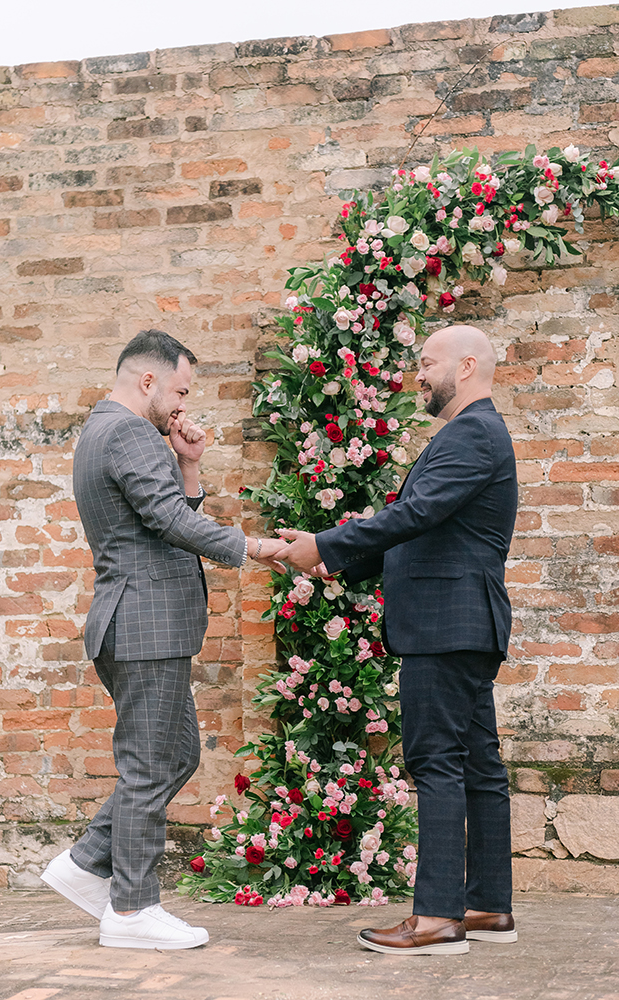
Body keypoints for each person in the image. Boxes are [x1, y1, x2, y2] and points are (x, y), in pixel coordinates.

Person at [276, 325, 519, 956]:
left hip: (447, 624)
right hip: (462, 622)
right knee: (479, 767)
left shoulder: (472, 434)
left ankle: (437, 919)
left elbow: (414, 517)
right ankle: (487, 904)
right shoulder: (471, 434)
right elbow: (426, 533)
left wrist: (327, 543)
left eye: (426, 362)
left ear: (466, 367)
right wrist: (335, 562)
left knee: (435, 761)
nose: (417, 374)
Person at [41, 329, 284, 951]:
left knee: (175, 755)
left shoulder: (112, 431)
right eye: (178, 390)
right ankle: (132, 911)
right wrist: (257, 547)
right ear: (146, 380)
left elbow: (163, 512)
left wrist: (189, 462)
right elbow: (173, 521)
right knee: (151, 765)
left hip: (142, 622)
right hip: (142, 622)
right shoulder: (125, 431)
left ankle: (86, 863)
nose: (181, 404)